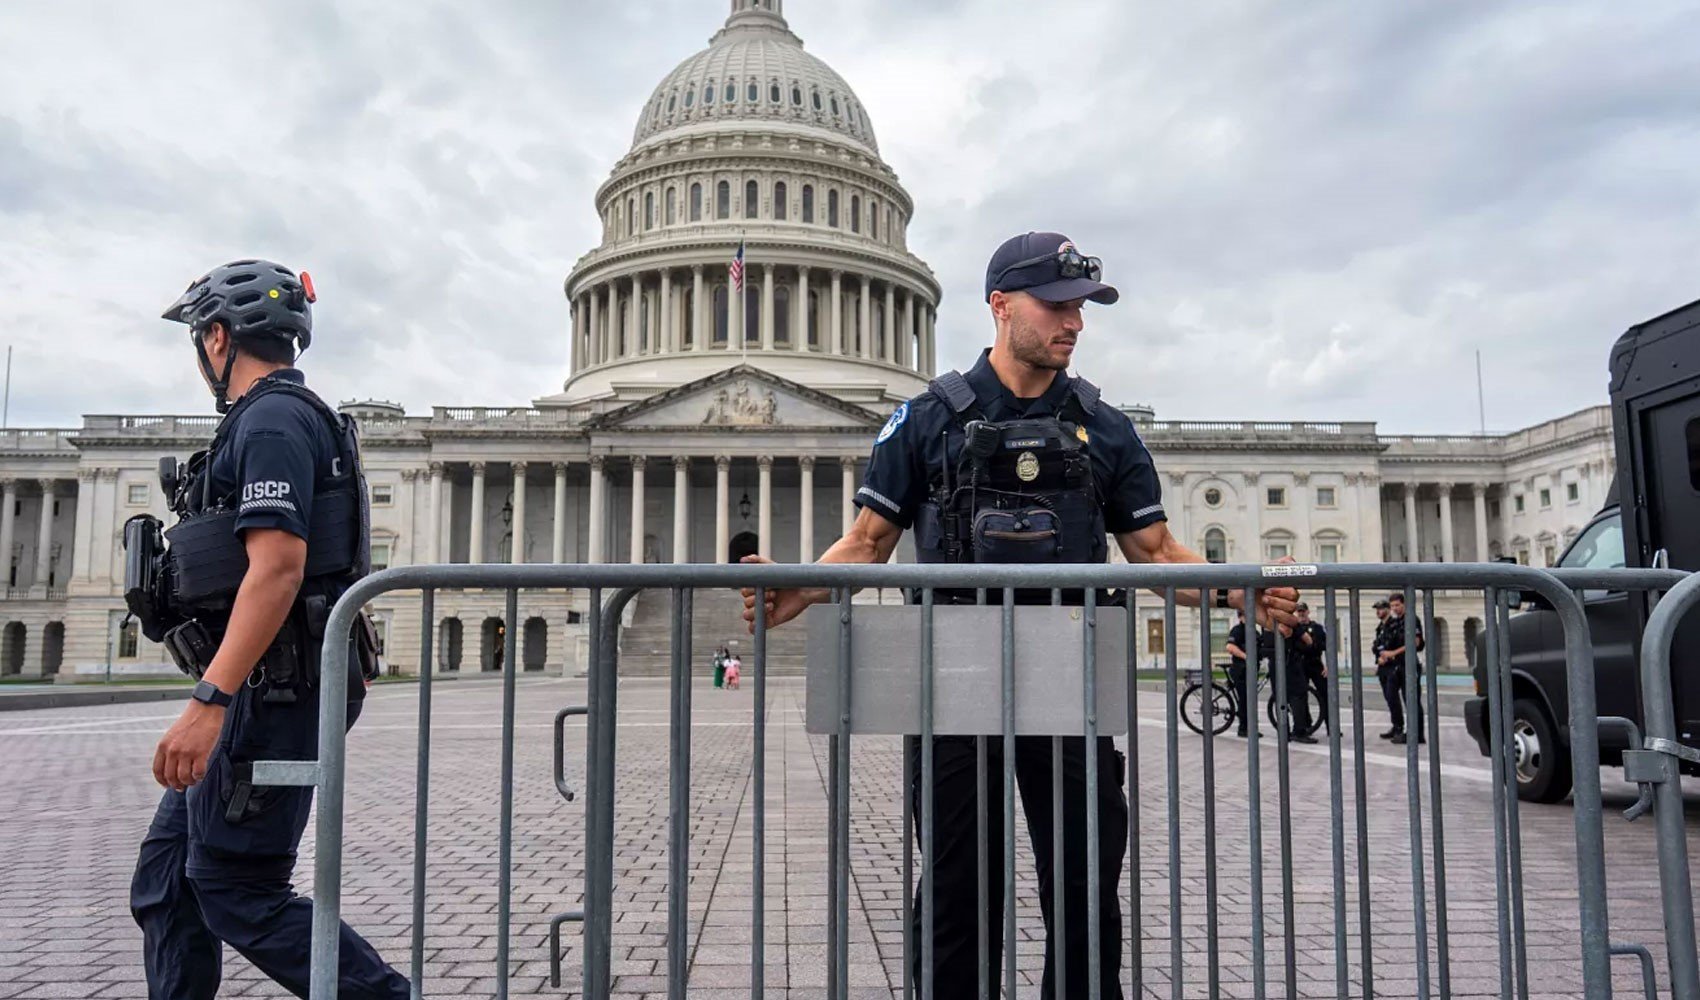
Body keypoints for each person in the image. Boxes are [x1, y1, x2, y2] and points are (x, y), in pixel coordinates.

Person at [737, 232, 1299, 998]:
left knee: (1084, 883)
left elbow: (1158, 552)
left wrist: (1239, 591)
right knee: (957, 886)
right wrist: (800, 589)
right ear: (1001, 306)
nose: (1075, 323)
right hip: (954, 676)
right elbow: (868, 542)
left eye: (1082, 307)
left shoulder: (1106, 429)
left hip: (1068, 675)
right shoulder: (926, 420)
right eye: (1057, 305)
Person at [127, 260, 409, 999]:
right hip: (265, 684)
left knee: (237, 889)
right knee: (167, 882)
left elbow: (278, 568)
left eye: (199, 339)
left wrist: (209, 700)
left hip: (274, 692)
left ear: (218, 338)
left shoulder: (274, 421)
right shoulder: (272, 419)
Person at [1379, 592, 1426, 744]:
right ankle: (1398, 727)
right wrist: (1385, 655)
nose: (1395, 608)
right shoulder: (1396, 622)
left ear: (1404, 604)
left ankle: (1417, 734)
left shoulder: (1412, 619)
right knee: (1391, 696)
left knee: (1411, 700)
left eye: (1397, 605)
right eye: (1392, 606)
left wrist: (1393, 653)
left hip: (1409, 664)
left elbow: (1415, 643)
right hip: (1396, 666)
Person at [1286, 601, 1328, 739]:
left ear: (1308, 612)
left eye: (1303, 611)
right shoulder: (1294, 629)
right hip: (1300, 665)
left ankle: (1331, 726)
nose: (1301, 614)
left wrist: (1327, 665)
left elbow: (1327, 647)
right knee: (1300, 697)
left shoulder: (1317, 628)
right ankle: (1305, 725)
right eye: (1299, 611)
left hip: (1316, 664)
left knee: (1325, 695)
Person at [1371, 599, 1399, 738]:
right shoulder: (1380, 627)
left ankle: (1398, 727)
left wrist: (1386, 656)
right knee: (1389, 698)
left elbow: (1393, 643)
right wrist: (1379, 657)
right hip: (1383, 666)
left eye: (1381, 609)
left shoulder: (1394, 625)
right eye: (1377, 609)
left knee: (1392, 697)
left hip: (1392, 665)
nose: (1378, 611)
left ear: (1388, 609)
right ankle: (1395, 725)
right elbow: (1376, 646)